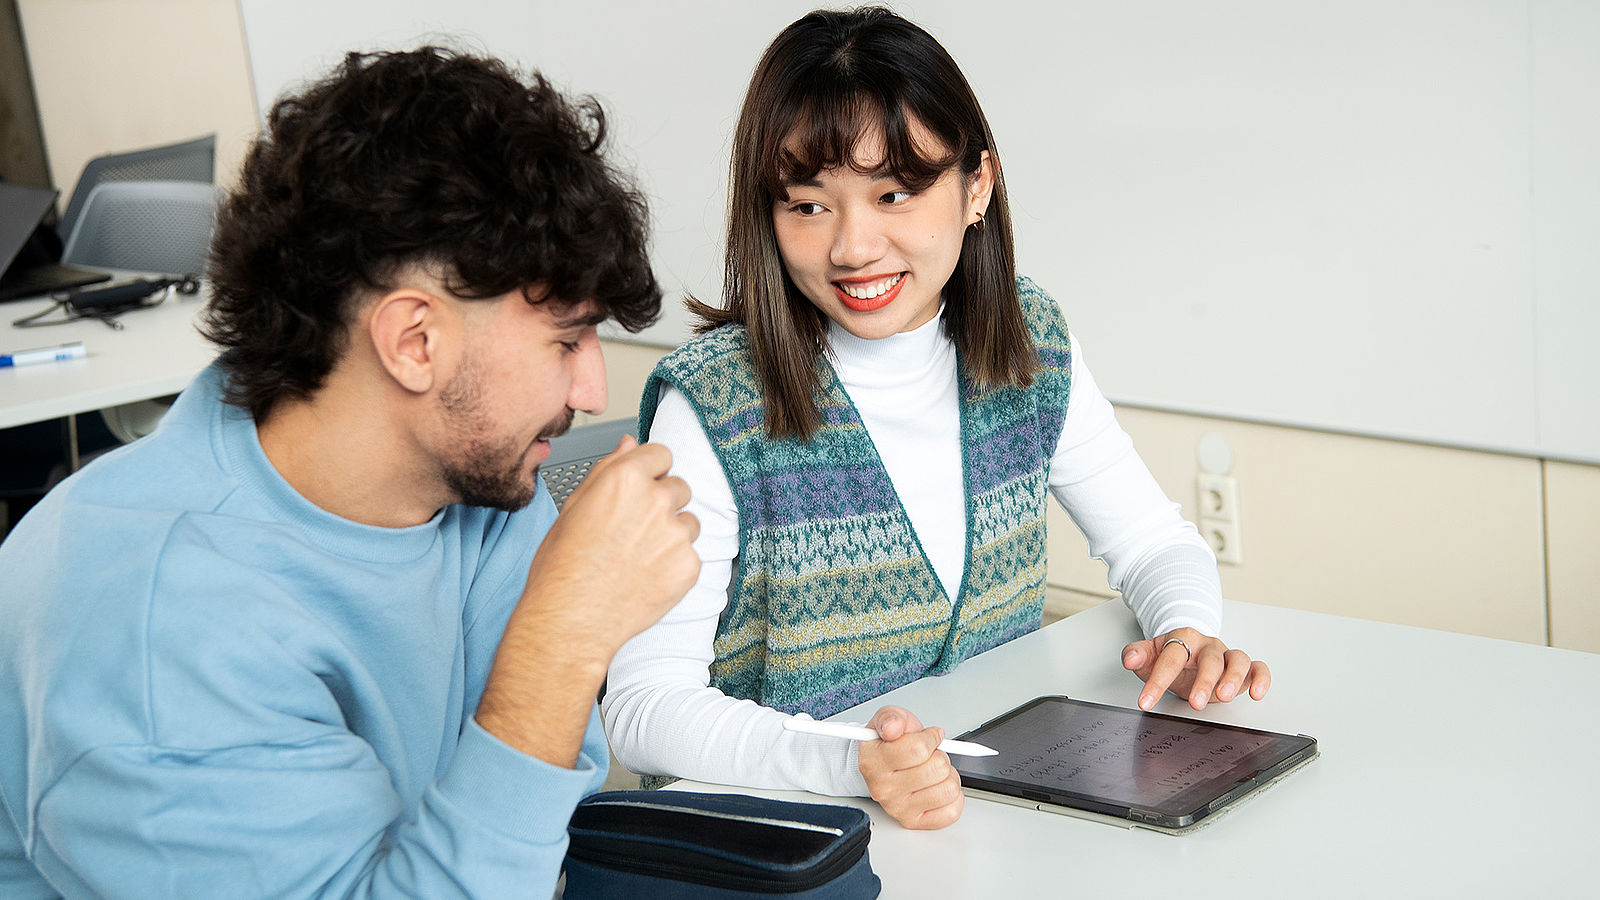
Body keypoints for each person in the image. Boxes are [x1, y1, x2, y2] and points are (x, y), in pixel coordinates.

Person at [0, 47, 700, 897]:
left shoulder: (474, 481)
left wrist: (557, 651)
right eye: (565, 341)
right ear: (414, 342)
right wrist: (563, 637)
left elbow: (551, 797)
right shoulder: (159, 637)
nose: (592, 390)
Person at [601, 7, 1271, 831]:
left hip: (978, 830)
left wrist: (1186, 628)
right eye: (808, 205)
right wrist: (851, 762)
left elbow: (1153, 542)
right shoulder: (714, 404)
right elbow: (641, 710)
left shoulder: (1029, 343)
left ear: (977, 186)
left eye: (894, 194)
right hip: (791, 848)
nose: (852, 246)